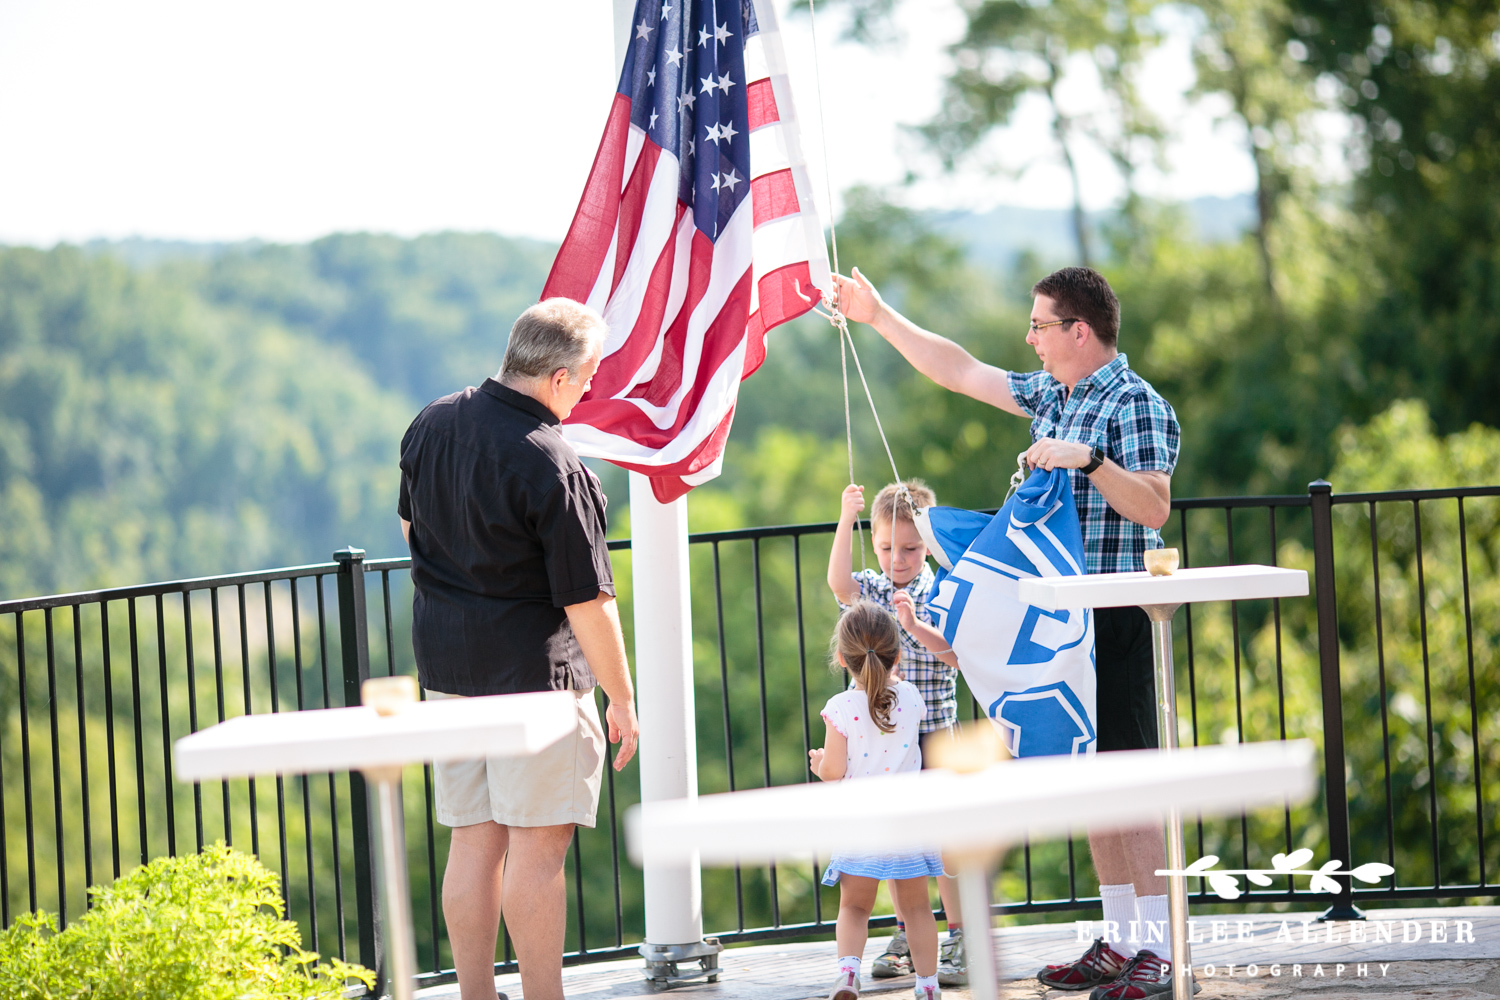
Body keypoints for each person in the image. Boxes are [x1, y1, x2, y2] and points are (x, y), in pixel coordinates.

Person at [830, 266, 1182, 1000]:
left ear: (1079, 331)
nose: (1029, 339)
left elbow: (1152, 508)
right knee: (1089, 782)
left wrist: (1087, 459)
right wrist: (878, 315)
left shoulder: (1138, 403)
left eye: (1040, 326)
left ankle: (1158, 947)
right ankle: (1119, 940)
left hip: (1112, 614)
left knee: (1131, 782)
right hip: (1057, 624)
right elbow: (960, 370)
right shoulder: (1053, 392)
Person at [397, 298, 640, 1000]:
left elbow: (411, 530)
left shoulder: (430, 422)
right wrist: (621, 698)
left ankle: (476, 994)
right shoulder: (555, 464)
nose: (590, 390)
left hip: (446, 667)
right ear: (560, 378)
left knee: (473, 840)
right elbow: (587, 600)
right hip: (536, 682)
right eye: (589, 378)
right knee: (539, 847)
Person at [826, 480, 969, 985]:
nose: (897, 558)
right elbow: (839, 584)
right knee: (895, 839)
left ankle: (958, 936)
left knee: (946, 841)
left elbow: (956, 655)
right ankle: (911, 932)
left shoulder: (944, 588)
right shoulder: (874, 588)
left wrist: (915, 627)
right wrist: (847, 517)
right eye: (886, 547)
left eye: (910, 548)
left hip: (934, 735)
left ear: (928, 544)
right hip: (884, 742)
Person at [810, 601, 944, 1000]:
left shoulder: (840, 708)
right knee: (918, 909)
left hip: (860, 821)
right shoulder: (913, 697)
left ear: (841, 658)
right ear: (898, 655)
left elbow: (834, 771)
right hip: (908, 820)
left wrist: (818, 763)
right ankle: (928, 986)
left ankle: (849, 975)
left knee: (854, 908)